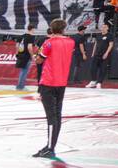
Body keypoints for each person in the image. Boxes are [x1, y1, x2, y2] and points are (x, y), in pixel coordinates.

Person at [31, 18, 75, 159]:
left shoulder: (48, 43)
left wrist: (34, 56)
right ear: (64, 29)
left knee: (51, 116)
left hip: (49, 82)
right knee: (57, 114)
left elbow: (39, 60)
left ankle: (50, 148)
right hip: (61, 82)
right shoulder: (71, 42)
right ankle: (50, 145)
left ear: (51, 29)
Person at [88, 22, 113, 88]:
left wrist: (106, 53)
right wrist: (93, 53)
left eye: (105, 27)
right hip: (96, 54)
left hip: (104, 55)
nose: (103, 28)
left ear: (107, 28)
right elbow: (95, 44)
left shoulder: (110, 35)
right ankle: (93, 81)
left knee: (102, 69)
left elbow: (111, 45)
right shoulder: (98, 35)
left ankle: (99, 82)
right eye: (102, 27)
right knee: (92, 68)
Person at [15, 23, 39, 91]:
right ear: (32, 29)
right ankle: (20, 87)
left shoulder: (21, 36)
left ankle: (20, 86)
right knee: (24, 72)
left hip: (20, 55)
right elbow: (29, 47)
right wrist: (32, 56)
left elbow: (17, 46)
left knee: (22, 71)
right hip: (26, 56)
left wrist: (17, 53)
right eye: (34, 29)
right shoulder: (31, 37)